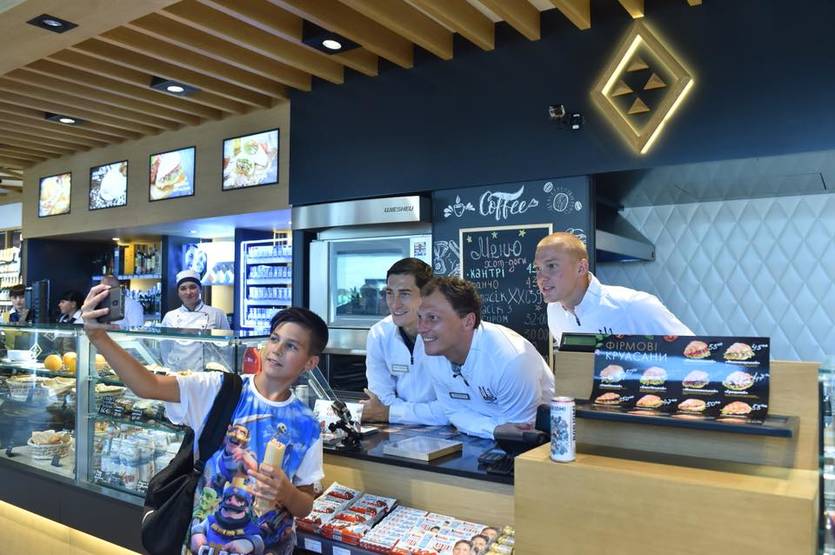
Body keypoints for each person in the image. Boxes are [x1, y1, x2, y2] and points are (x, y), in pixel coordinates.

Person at [81, 284, 326, 555]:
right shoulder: (220, 389)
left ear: (310, 363)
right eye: (274, 338)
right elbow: (147, 385)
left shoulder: (307, 425)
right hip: (204, 544)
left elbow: (305, 504)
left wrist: (287, 492)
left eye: (291, 346)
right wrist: (98, 337)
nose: (276, 350)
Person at [417, 276, 554, 440]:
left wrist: (484, 426)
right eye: (420, 317)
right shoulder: (433, 350)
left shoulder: (511, 360)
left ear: (468, 321)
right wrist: (494, 429)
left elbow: (520, 432)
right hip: (487, 438)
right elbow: (454, 412)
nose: (421, 328)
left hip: (546, 443)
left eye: (432, 318)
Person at [534, 232, 693, 346]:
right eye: (538, 269)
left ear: (581, 268)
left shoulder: (636, 305)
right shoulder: (554, 311)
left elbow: (691, 353)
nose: (541, 278)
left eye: (552, 266)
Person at [361, 258, 446, 425]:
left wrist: (389, 413)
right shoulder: (379, 334)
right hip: (397, 428)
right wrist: (393, 413)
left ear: (427, 295)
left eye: (405, 294)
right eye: (389, 293)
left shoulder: (446, 333)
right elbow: (380, 399)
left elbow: (450, 410)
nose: (395, 304)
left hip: (451, 433)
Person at [160, 269, 231, 370]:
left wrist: (220, 370)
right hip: (178, 372)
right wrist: (171, 370)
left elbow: (227, 347)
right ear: (178, 292)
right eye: (183, 288)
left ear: (200, 289)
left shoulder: (217, 314)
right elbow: (165, 348)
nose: (188, 292)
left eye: (192, 287)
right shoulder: (170, 316)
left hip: (207, 373)